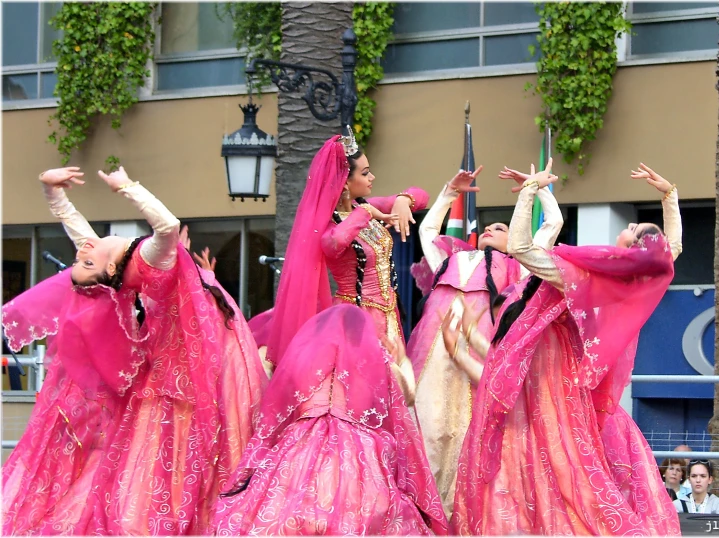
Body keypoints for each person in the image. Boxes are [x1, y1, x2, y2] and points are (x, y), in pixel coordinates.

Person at [2, 166, 268, 535]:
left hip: (212, 346)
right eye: (87, 261)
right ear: (110, 268)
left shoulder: (115, 260)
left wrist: (51, 191)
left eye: (84, 257)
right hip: (203, 356)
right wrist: (126, 187)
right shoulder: (146, 262)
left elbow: (77, 231)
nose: (85, 249)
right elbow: (168, 226)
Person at [450, 162, 682, 535]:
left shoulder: (586, 273)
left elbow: (523, 247)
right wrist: (669, 197)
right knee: (560, 446)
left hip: (545, 363)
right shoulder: (621, 277)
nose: (629, 225)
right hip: (570, 365)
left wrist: (529, 194)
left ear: (633, 247)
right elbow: (670, 251)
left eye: (634, 227)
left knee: (536, 443)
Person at [406, 160, 563, 515]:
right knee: (430, 428)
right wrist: (450, 192)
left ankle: (461, 511)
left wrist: (538, 189)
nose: (490, 229)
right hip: (432, 355)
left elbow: (552, 224)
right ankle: (424, 511)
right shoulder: (450, 257)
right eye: (488, 226)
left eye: (501, 227)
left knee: (466, 433)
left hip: (478, 357)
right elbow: (428, 229)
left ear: (515, 240)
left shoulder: (518, 266)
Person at [212, 304, 448, 535]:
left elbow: (279, 403)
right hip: (359, 453)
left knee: (286, 513)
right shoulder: (374, 360)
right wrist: (402, 361)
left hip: (299, 445)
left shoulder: (303, 360)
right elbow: (406, 394)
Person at [266, 130, 429, 366]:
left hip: (389, 314)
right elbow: (333, 244)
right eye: (365, 173)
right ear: (344, 182)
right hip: (356, 317)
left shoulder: (367, 206)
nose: (372, 177)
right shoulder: (333, 223)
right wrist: (366, 213)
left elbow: (421, 195)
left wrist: (404, 199)